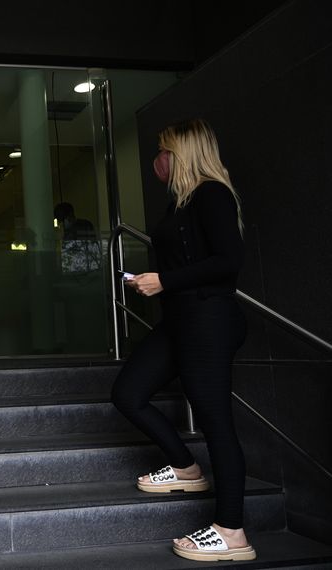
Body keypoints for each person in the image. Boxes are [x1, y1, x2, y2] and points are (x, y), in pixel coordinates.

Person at [110, 119, 255, 562]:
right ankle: (185, 467)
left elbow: (228, 263)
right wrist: (154, 284)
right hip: (181, 319)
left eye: (164, 149)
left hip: (210, 318)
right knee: (128, 393)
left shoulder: (212, 193)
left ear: (184, 152)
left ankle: (232, 532)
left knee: (216, 423)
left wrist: (164, 280)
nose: (159, 158)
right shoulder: (180, 202)